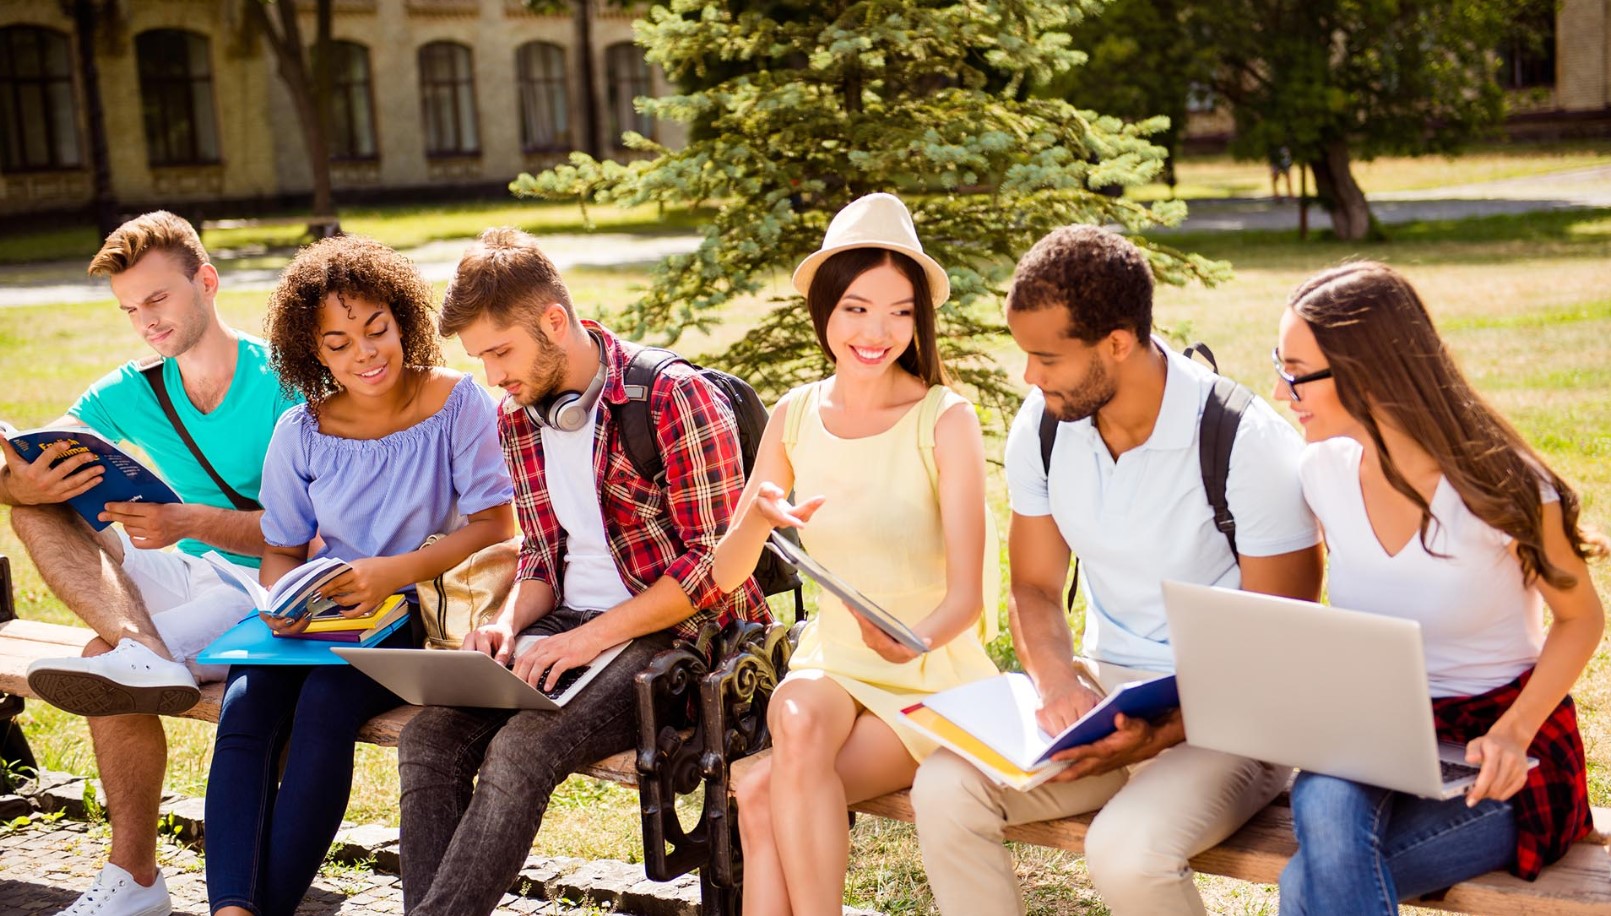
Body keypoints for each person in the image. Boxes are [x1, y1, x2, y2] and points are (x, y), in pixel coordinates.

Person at [909, 224, 1325, 916]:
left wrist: (1156, 735)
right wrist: (1057, 682)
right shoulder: (1042, 427)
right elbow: (1036, 587)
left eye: (1047, 358)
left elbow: (1274, 649)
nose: (1029, 377)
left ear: (1116, 343)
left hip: (1232, 719)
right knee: (944, 789)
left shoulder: (1245, 443)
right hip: (1106, 703)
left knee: (1125, 851)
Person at [397, 227, 768, 915]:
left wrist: (587, 640)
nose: (492, 377)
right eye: (479, 358)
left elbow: (709, 570)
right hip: (571, 633)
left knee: (522, 749)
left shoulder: (673, 398)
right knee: (428, 736)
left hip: (680, 640)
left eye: (500, 351)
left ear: (554, 321)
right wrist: (503, 626)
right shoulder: (518, 417)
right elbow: (541, 556)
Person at [1272, 262, 1606, 913]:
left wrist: (1512, 733)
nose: (1284, 393)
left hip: (1499, 746)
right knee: (1324, 801)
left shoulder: (1500, 486)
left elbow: (1581, 619)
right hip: (1377, 728)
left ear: (1367, 373)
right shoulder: (1319, 472)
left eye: (1296, 371)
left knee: (1301, 885)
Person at [206, 235, 516, 916]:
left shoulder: (456, 404)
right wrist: (278, 601)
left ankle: (265, 908)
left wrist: (391, 574)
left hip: (418, 609)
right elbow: (282, 547)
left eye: (377, 330)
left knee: (322, 706)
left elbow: (495, 525)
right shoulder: (301, 430)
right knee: (246, 705)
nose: (365, 354)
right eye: (339, 343)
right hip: (324, 610)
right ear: (313, 351)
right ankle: (232, 909)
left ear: (403, 319)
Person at [710, 193, 1000, 914]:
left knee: (760, 788)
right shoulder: (794, 415)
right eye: (857, 309)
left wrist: (912, 644)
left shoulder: (945, 419)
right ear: (826, 312)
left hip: (931, 673)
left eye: (900, 312)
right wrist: (757, 517)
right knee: (797, 713)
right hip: (832, 666)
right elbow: (723, 574)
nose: (878, 331)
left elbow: (967, 596)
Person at [0, 211, 298, 916]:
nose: (145, 322)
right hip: (189, 571)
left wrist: (185, 522)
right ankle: (143, 648)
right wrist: (21, 481)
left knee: (104, 662)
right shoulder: (133, 387)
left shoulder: (286, 378)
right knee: (34, 508)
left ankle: (135, 881)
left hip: (266, 587)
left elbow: (314, 537)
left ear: (206, 282)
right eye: (131, 309)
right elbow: (33, 458)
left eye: (157, 300)